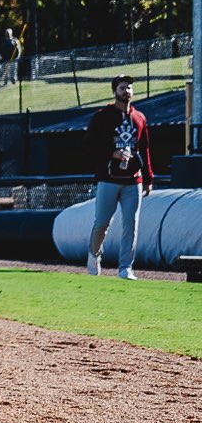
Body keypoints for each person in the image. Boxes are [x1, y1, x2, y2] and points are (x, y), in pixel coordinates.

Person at [83, 74, 153, 280]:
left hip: (134, 180)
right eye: (122, 88)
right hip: (109, 178)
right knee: (102, 223)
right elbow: (88, 145)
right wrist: (111, 153)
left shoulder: (140, 118)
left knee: (131, 224)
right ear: (115, 91)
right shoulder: (102, 116)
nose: (127, 91)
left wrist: (149, 178)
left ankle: (125, 268)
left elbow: (145, 149)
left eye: (129, 88)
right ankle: (94, 256)